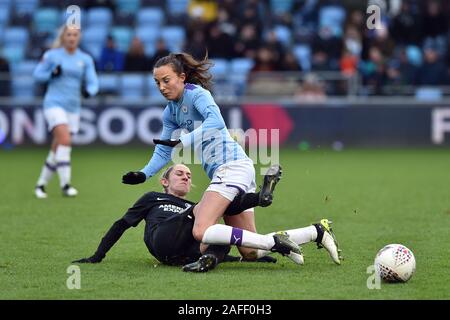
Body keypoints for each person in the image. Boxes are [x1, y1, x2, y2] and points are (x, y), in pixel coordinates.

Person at [121, 52, 341, 269]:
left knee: (201, 230)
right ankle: (317, 232)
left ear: (182, 77)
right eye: (157, 82)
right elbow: (163, 150)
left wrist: (184, 139)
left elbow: (215, 121)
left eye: (166, 80)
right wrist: (144, 174)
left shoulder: (197, 94)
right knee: (250, 251)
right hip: (237, 170)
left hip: (231, 168)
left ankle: (273, 242)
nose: (161, 87)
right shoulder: (170, 113)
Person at [74, 164, 341, 272]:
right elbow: (121, 225)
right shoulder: (153, 198)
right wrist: (99, 254)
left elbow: (217, 233)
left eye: (189, 175)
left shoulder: (198, 206)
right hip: (163, 240)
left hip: (187, 252)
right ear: (164, 181)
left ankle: (314, 231)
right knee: (209, 212)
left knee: (227, 235)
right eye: (180, 173)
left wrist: (240, 257)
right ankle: (266, 223)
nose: (186, 177)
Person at [33, 25, 99, 198]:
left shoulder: (85, 59)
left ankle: (40, 184)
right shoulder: (51, 56)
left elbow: (93, 82)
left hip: (73, 107)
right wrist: (51, 74)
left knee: (58, 147)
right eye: (68, 34)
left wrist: (88, 91)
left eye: (75, 35)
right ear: (63, 37)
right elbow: (37, 74)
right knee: (64, 139)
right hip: (53, 103)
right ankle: (66, 185)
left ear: (79, 37)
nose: (71, 38)